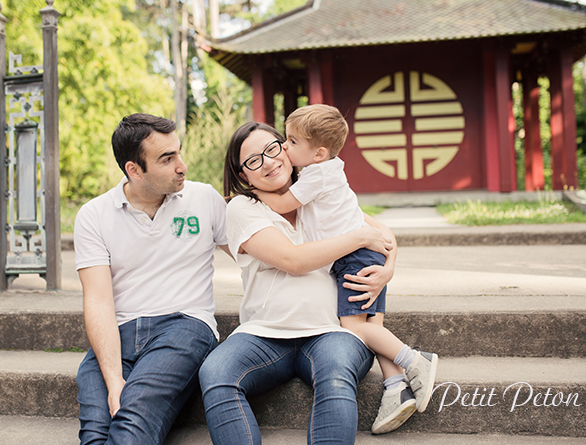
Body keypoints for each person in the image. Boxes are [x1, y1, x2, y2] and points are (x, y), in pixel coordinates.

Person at [198, 121, 399, 445]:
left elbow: (382, 234)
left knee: (336, 375)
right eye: (253, 160)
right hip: (264, 334)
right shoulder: (242, 208)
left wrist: (388, 267)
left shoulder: (319, 194)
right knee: (216, 373)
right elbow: (293, 260)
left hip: (331, 332)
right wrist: (358, 236)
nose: (268, 161)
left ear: (288, 148)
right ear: (242, 175)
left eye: (273, 148)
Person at [251, 105, 439, 434]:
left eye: (290, 142)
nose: (283, 147)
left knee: (353, 327)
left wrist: (250, 190)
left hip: (355, 259)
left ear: (319, 152)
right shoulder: (328, 169)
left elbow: (281, 204)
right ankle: (395, 387)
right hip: (364, 255)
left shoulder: (315, 175)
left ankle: (414, 361)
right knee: (372, 324)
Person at [73, 113, 229, 445]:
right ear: (134, 169)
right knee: (95, 433)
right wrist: (114, 380)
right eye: (167, 159)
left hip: (185, 326)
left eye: (179, 153)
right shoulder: (94, 215)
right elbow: (99, 301)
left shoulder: (203, 200)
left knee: (131, 422)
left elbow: (263, 250)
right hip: (120, 335)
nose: (182, 166)